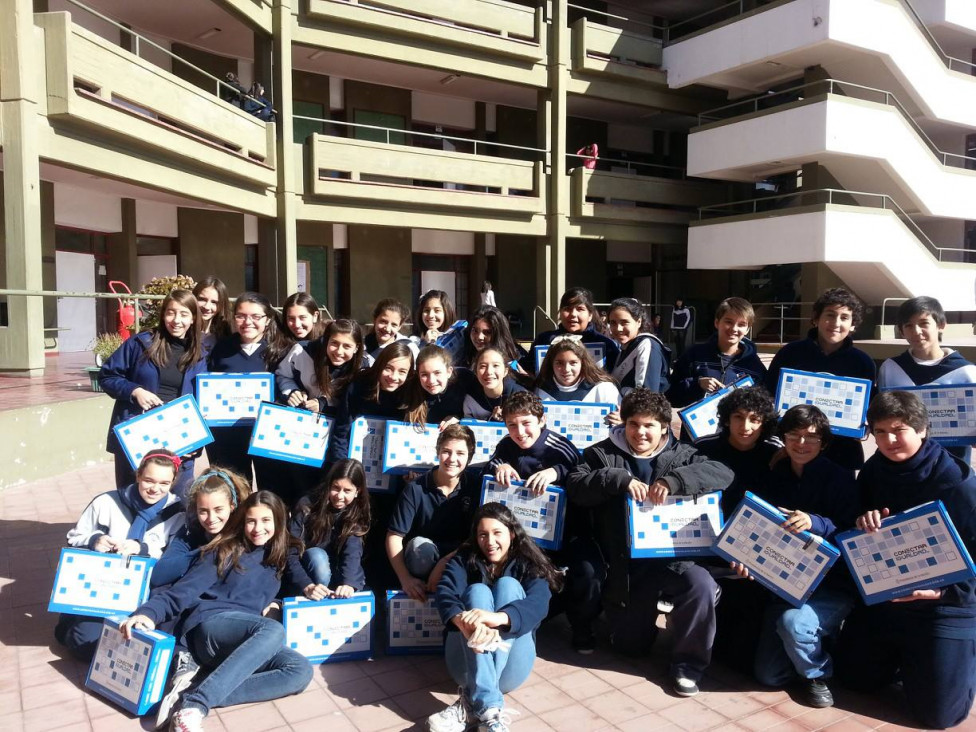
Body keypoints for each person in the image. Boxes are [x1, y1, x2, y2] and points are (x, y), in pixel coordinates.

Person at [565, 389, 734, 696]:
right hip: (625, 566)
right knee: (630, 648)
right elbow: (576, 487)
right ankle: (625, 618)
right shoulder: (600, 454)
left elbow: (722, 473)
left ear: (664, 427)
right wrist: (616, 479)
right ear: (624, 424)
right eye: (633, 424)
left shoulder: (683, 453)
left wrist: (675, 481)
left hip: (674, 558)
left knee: (702, 585)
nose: (640, 432)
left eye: (649, 426)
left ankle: (688, 664)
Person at [119, 492, 328, 732]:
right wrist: (148, 613)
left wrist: (301, 591)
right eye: (251, 521)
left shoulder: (280, 553)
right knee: (272, 630)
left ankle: (190, 695)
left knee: (299, 670)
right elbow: (183, 591)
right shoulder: (226, 549)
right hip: (209, 626)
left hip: (243, 637)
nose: (257, 528)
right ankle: (195, 707)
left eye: (265, 520)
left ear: (278, 521)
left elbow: (295, 574)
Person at [835, 391, 976, 729]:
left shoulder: (957, 484)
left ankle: (960, 656)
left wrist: (943, 592)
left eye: (899, 430)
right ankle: (908, 657)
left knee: (939, 716)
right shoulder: (874, 470)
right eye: (880, 432)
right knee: (854, 680)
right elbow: (852, 523)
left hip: (943, 604)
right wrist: (861, 520)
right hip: (887, 596)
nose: (888, 440)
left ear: (922, 429)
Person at [745, 405, 858, 708]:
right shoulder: (774, 474)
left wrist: (815, 523)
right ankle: (808, 643)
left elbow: (852, 532)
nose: (802, 443)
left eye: (812, 437)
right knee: (769, 675)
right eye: (794, 435)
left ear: (824, 443)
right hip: (785, 581)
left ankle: (816, 672)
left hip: (830, 586)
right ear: (783, 438)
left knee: (793, 623)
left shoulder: (841, 479)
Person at [484, 392, 603, 653]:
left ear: (542, 420)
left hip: (569, 530)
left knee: (588, 572)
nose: (520, 431)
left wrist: (555, 472)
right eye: (512, 425)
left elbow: (579, 469)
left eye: (526, 423)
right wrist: (498, 467)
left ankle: (582, 625)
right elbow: (492, 463)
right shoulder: (506, 445)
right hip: (527, 533)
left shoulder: (560, 446)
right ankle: (530, 617)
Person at [428, 502, 562, 732]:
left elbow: (539, 603)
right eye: (482, 535)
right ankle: (489, 711)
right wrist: (465, 621)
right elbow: (445, 593)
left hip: (511, 668)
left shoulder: (527, 561)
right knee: (477, 591)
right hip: (464, 665)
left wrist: (496, 618)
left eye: (497, 533)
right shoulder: (465, 558)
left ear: (511, 532)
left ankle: (473, 701)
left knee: (508, 585)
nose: (489, 542)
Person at [55, 449, 185, 661]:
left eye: (164, 483)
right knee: (87, 641)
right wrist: (94, 540)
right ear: (138, 476)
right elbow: (73, 538)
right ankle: (72, 620)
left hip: (147, 590)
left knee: (152, 641)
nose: (155, 489)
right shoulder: (107, 502)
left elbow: (174, 557)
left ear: (173, 482)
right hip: (104, 588)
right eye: (148, 480)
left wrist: (141, 549)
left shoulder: (177, 512)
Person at [695, 386, 781, 673]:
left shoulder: (776, 455)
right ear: (726, 418)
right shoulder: (704, 449)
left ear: (764, 422)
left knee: (741, 658)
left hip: (753, 553)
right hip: (708, 546)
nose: (746, 426)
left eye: (755, 419)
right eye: (739, 417)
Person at [100, 289, 208, 498]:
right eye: (171, 313)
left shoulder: (201, 354)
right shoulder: (141, 343)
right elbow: (107, 376)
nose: (176, 320)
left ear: (194, 318)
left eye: (184, 314)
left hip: (179, 437)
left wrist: (197, 439)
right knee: (133, 496)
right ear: (163, 315)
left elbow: (203, 400)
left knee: (179, 500)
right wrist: (135, 391)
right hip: (139, 433)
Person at [766, 287, 876, 471]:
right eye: (830, 315)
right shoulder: (790, 353)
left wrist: (863, 425)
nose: (836, 323)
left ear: (853, 325)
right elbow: (769, 396)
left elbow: (869, 406)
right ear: (816, 319)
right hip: (794, 449)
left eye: (844, 317)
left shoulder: (862, 362)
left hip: (841, 452)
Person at [207, 292, 291, 501]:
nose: (248, 322)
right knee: (233, 491)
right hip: (229, 435)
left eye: (256, 316)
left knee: (271, 494)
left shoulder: (281, 350)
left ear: (268, 319)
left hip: (267, 435)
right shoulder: (222, 349)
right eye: (241, 316)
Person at [387, 424, 480, 601]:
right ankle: (422, 591)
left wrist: (444, 563)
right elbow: (394, 537)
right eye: (446, 451)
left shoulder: (475, 487)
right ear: (437, 452)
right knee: (418, 547)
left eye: (460, 453)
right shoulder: (415, 489)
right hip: (425, 557)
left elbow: (476, 537)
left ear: (469, 457)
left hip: (460, 554)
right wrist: (405, 579)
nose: (452, 459)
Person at [878, 296, 976, 462]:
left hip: (952, 461)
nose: (916, 331)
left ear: (941, 325)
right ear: (901, 331)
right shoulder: (891, 368)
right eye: (909, 325)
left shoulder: (966, 371)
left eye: (924, 323)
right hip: (903, 462)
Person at [150, 466, 252, 589]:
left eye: (218, 509)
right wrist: (203, 552)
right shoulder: (191, 532)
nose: (211, 518)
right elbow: (158, 575)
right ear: (195, 509)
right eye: (203, 511)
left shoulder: (245, 534)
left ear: (232, 505)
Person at [667, 297, 766, 413]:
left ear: (747, 329)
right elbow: (670, 397)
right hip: (699, 428)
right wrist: (697, 384)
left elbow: (762, 407)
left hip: (736, 431)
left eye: (741, 324)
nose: (734, 329)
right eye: (728, 322)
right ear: (717, 322)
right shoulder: (694, 355)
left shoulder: (754, 367)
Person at [289, 458, 370, 596]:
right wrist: (306, 585)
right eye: (336, 488)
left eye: (347, 490)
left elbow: (353, 551)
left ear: (358, 491)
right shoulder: (307, 506)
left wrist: (349, 583)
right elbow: (289, 550)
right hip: (309, 575)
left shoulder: (357, 511)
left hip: (340, 575)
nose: (339, 496)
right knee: (318, 557)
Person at [522, 287, 620, 374]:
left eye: (580, 309)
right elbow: (530, 370)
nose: (573, 314)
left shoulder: (606, 344)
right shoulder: (544, 340)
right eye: (567, 309)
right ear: (560, 313)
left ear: (590, 315)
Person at [607, 297, 670, 396]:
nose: (618, 328)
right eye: (613, 323)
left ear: (638, 322)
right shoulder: (626, 347)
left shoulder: (647, 345)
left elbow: (647, 395)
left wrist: (624, 392)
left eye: (624, 322)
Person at [533, 339, 620, 409]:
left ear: (583, 362)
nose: (566, 369)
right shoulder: (540, 390)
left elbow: (622, 421)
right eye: (559, 363)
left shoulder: (603, 388)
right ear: (551, 363)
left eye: (573, 363)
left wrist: (621, 420)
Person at [405, 345, 473, 428]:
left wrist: (460, 419)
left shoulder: (464, 379)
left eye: (437, 373)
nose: (431, 381)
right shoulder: (410, 389)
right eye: (424, 375)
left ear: (449, 372)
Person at [463, 347, 527, 422]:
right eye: (483, 366)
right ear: (476, 372)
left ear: (505, 371)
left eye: (496, 365)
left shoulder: (521, 397)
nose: (489, 372)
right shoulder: (470, 400)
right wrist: (492, 420)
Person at [192, 276, 231, 340]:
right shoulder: (183, 331)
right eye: (202, 299)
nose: (207, 307)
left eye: (214, 302)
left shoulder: (227, 334)